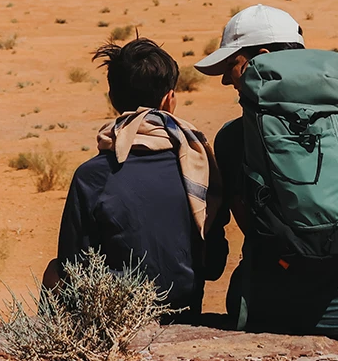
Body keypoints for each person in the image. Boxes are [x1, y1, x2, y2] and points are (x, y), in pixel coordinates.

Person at [196, 4, 338, 352]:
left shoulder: (232, 139)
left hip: (270, 313)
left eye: (232, 65)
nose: (226, 79)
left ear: (263, 59)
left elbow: (249, 223)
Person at [44, 37, 223, 317]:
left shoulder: (92, 176)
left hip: (119, 319)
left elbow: (74, 265)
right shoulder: (198, 163)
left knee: (53, 271)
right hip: (184, 311)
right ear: (169, 99)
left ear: (113, 100)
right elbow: (214, 265)